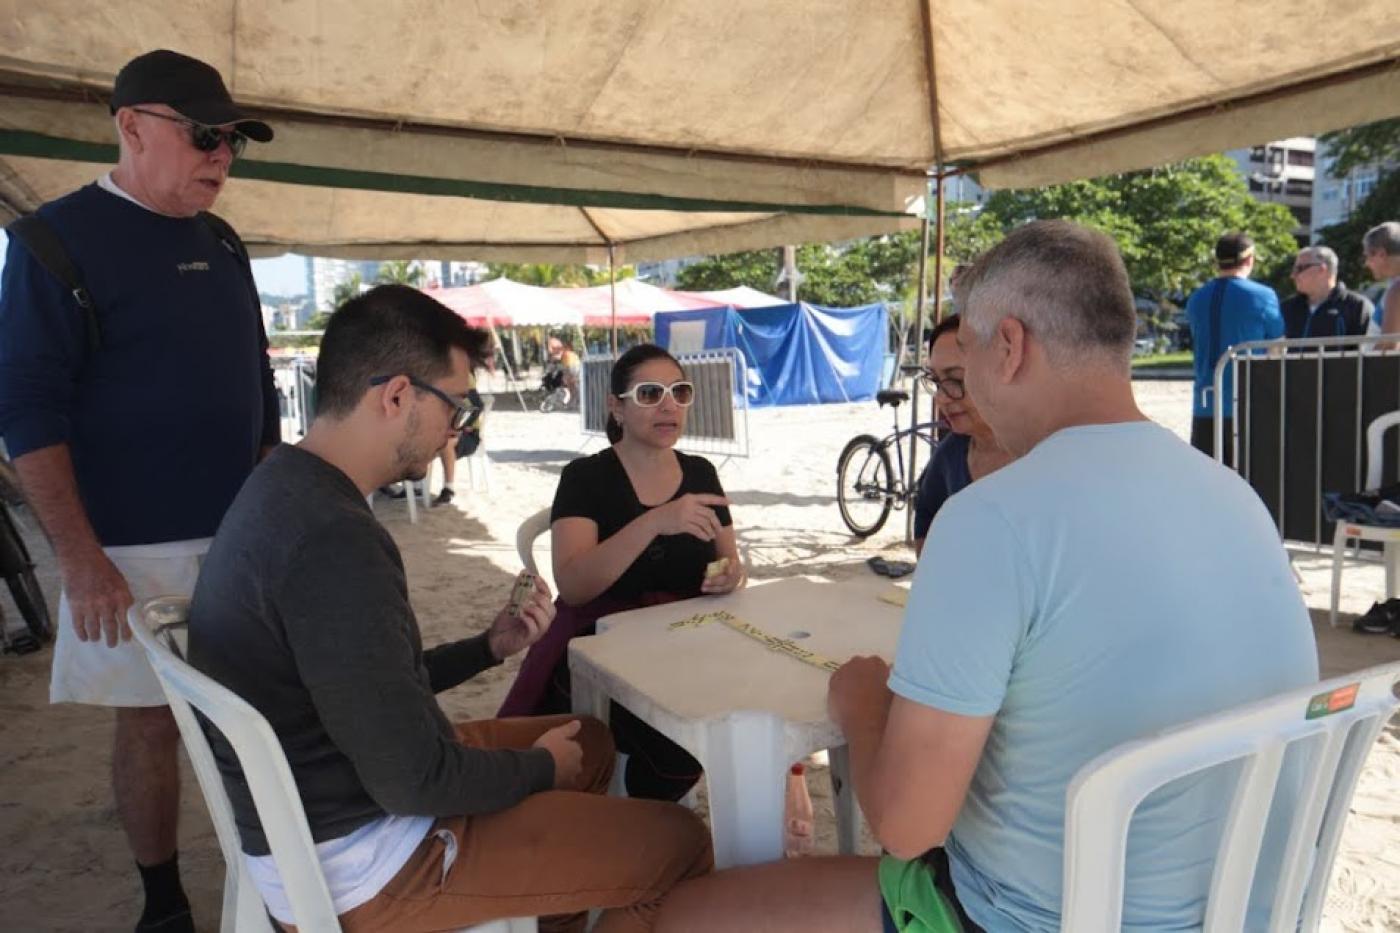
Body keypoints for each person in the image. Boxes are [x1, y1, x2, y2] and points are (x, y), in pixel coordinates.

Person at [654, 220, 1318, 932]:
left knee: (687, 912)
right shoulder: (1235, 497)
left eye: (962, 356)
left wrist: (860, 704)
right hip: (1247, 911)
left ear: (1009, 346)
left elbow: (908, 828)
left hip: (1031, 918)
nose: (957, 385)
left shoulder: (991, 520)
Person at [188, 286, 712, 932]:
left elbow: (361, 680)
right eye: (455, 406)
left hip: (327, 799)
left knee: (592, 740)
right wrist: (539, 767)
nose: (455, 430)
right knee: (682, 843)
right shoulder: (335, 538)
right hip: (373, 860)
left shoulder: (282, 487)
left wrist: (486, 648)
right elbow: (415, 780)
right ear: (397, 395)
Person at [0, 49, 278, 933]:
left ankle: (274, 873)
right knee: (151, 723)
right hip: (127, 545)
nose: (220, 156)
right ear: (131, 126)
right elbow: (27, 412)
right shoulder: (54, 239)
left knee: (263, 715)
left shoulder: (224, 241)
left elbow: (260, 387)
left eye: (232, 140)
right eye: (203, 136)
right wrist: (80, 561)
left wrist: (278, 508)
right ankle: (163, 898)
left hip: (243, 534)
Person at [499, 344, 745, 801]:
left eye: (680, 392)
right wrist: (655, 521)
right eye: (650, 393)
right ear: (617, 406)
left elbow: (730, 561)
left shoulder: (701, 471)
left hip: (683, 639)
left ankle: (650, 815)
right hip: (601, 644)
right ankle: (640, 822)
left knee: (741, 709)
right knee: (678, 745)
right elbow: (573, 586)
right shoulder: (585, 477)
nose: (669, 405)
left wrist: (728, 576)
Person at [912, 315, 1013, 557]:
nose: (942, 397)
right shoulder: (951, 452)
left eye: (956, 380)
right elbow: (926, 514)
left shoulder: (1048, 454)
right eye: (936, 381)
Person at [1185, 232, 1284, 465]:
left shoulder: (1196, 298)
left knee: (1207, 484)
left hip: (1205, 405)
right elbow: (1277, 349)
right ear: (1250, 260)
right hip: (1247, 406)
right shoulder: (1263, 296)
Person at [1279, 245, 1373, 339]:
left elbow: (1370, 348)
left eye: (1299, 269)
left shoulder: (1357, 307)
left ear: (1322, 270)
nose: (1293, 275)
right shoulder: (1287, 308)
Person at [1363, 221, 1400, 340]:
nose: (1366, 264)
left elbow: (1388, 348)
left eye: (1367, 256)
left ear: (1381, 254)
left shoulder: (1397, 290)